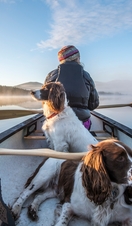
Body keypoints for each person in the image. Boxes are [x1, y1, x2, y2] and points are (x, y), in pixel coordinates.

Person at [44, 45, 99, 130]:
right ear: (77, 58)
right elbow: (93, 105)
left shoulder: (51, 76)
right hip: (81, 124)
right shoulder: (86, 76)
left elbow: (45, 103)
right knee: (86, 124)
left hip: (57, 125)